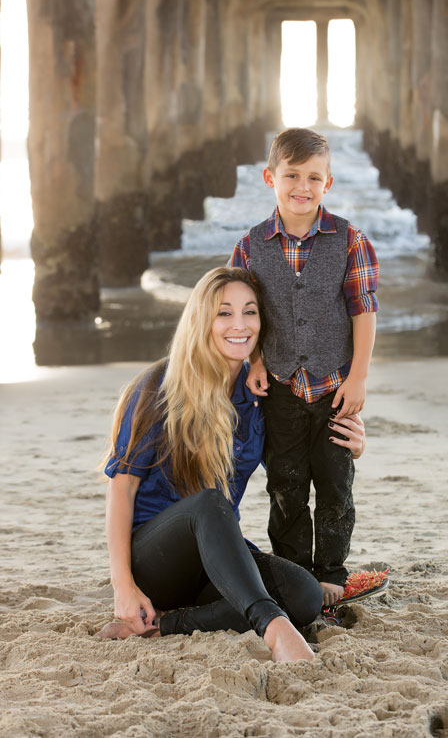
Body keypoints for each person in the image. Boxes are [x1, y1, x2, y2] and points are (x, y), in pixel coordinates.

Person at [95, 267, 366, 662]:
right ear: (202, 318)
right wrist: (123, 585)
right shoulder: (161, 386)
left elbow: (302, 454)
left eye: (250, 312)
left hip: (215, 556)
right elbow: (122, 487)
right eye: (224, 313)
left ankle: (160, 627)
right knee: (209, 503)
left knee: (305, 596)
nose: (239, 325)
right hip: (154, 560)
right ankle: (274, 631)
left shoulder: (260, 394)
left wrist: (352, 445)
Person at [229, 128, 379, 607]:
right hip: (280, 389)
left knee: (335, 486)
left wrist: (357, 378)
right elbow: (241, 310)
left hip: (335, 386)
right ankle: (296, 577)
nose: (303, 186)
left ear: (328, 183)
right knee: (286, 487)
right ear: (271, 177)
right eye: (292, 175)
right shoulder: (251, 246)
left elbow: (363, 310)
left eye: (314, 177)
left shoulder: (350, 240)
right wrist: (253, 360)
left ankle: (332, 575)